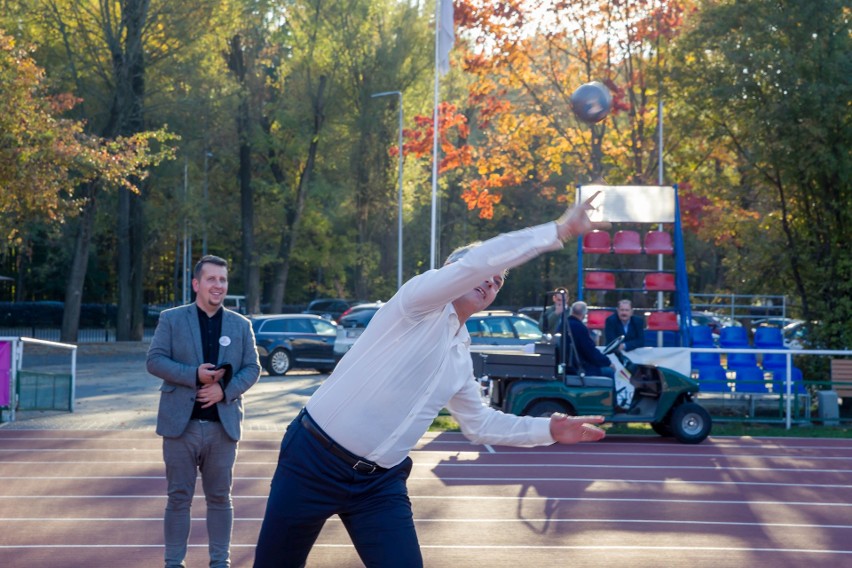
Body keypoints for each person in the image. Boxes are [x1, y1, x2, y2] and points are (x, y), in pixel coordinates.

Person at [253, 195, 609, 568]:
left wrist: (549, 430)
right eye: (487, 273)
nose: (491, 280)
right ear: (449, 272)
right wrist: (561, 229)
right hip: (313, 460)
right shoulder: (416, 303)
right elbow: (479, 262)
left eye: (499, 281)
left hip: (379, 485)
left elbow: (480, 424)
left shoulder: (460, 356)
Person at [147, 255, 261, 568]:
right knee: (178, 499)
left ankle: (219, 562)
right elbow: (154, 360)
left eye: (223, 280)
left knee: (220, 499)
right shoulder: (172, 319)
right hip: (179, 427)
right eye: (211, 279)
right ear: (197, 284)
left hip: (222, 429)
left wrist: (225, 390)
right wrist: (193, 375)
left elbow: (253, 367)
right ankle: (173, 562)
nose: (218, 285)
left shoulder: (241, 325)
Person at [564, 301, 616, 378]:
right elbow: (590, 351)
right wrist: (607, 362)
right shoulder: (580, 328)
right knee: (609, 371)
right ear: (584, 314)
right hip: (578, 369)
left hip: (568, 367)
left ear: (572, 311)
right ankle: (611, 390)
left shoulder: (563, 325)